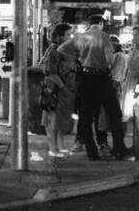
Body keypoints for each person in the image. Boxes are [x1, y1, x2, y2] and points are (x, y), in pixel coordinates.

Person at [58, 14, 126, 161]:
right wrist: (111, 62)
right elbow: (109, 59)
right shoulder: (103, 36)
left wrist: (78, 57)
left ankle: (92, 152)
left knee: (86, 117)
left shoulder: (80, 37)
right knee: (114, 114)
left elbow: (61, 49)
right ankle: (119, 148)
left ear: (90, 24)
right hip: (102, 78)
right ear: (100, 23)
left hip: (85, 78)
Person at [40, 23, 76, 157]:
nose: (70, 37)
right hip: (54, 89)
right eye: (67, 34)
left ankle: (61, 146)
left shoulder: (66, 50)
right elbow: (49, 71)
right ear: (60, 36)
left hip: (65, 89)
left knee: (62, 119)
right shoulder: (54, 50)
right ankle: (53, 148)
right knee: (52, 118)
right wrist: (63, 87)